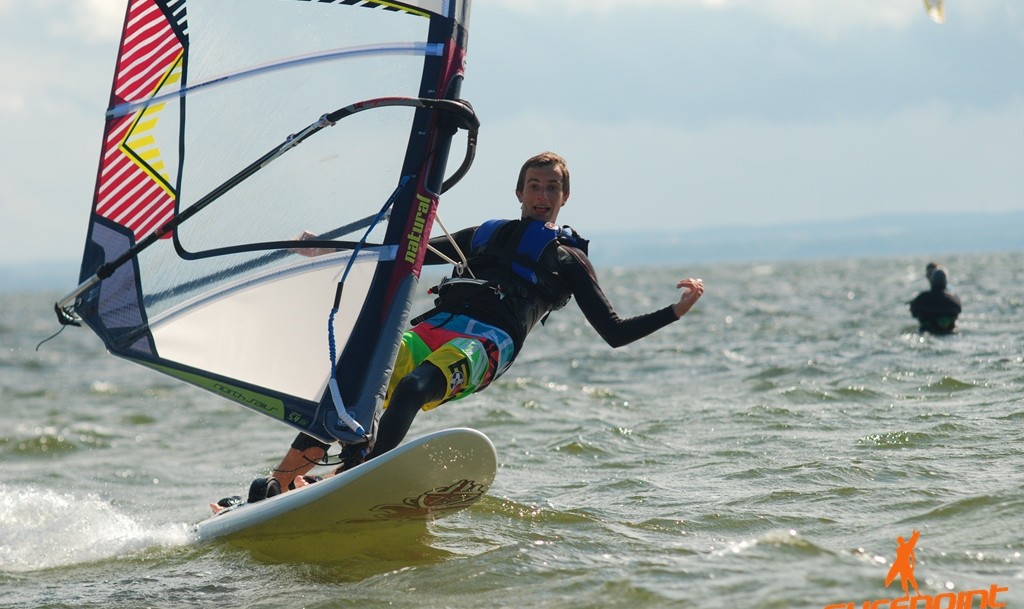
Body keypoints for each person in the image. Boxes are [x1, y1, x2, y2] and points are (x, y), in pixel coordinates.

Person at [239, 152, 705, 506]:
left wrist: (675, 311)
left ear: (565, 198)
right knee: (356, 372)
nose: (542, 196)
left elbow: (614, 331)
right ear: (519, 193)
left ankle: (356, 473)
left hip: (487, 344)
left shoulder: (569, 261)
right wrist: (323, 249)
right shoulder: (484, 234)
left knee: (414, 387)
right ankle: (284, 479)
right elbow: (403, 251)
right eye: (534, 186)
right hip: (437, 326)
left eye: (552, 189)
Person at [909, 262, 961, 334]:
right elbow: (958, 311)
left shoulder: (923, 298)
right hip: (950, 332)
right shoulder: (954, 298)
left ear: (932, 280)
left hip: (929, 331)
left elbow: (914, 312)